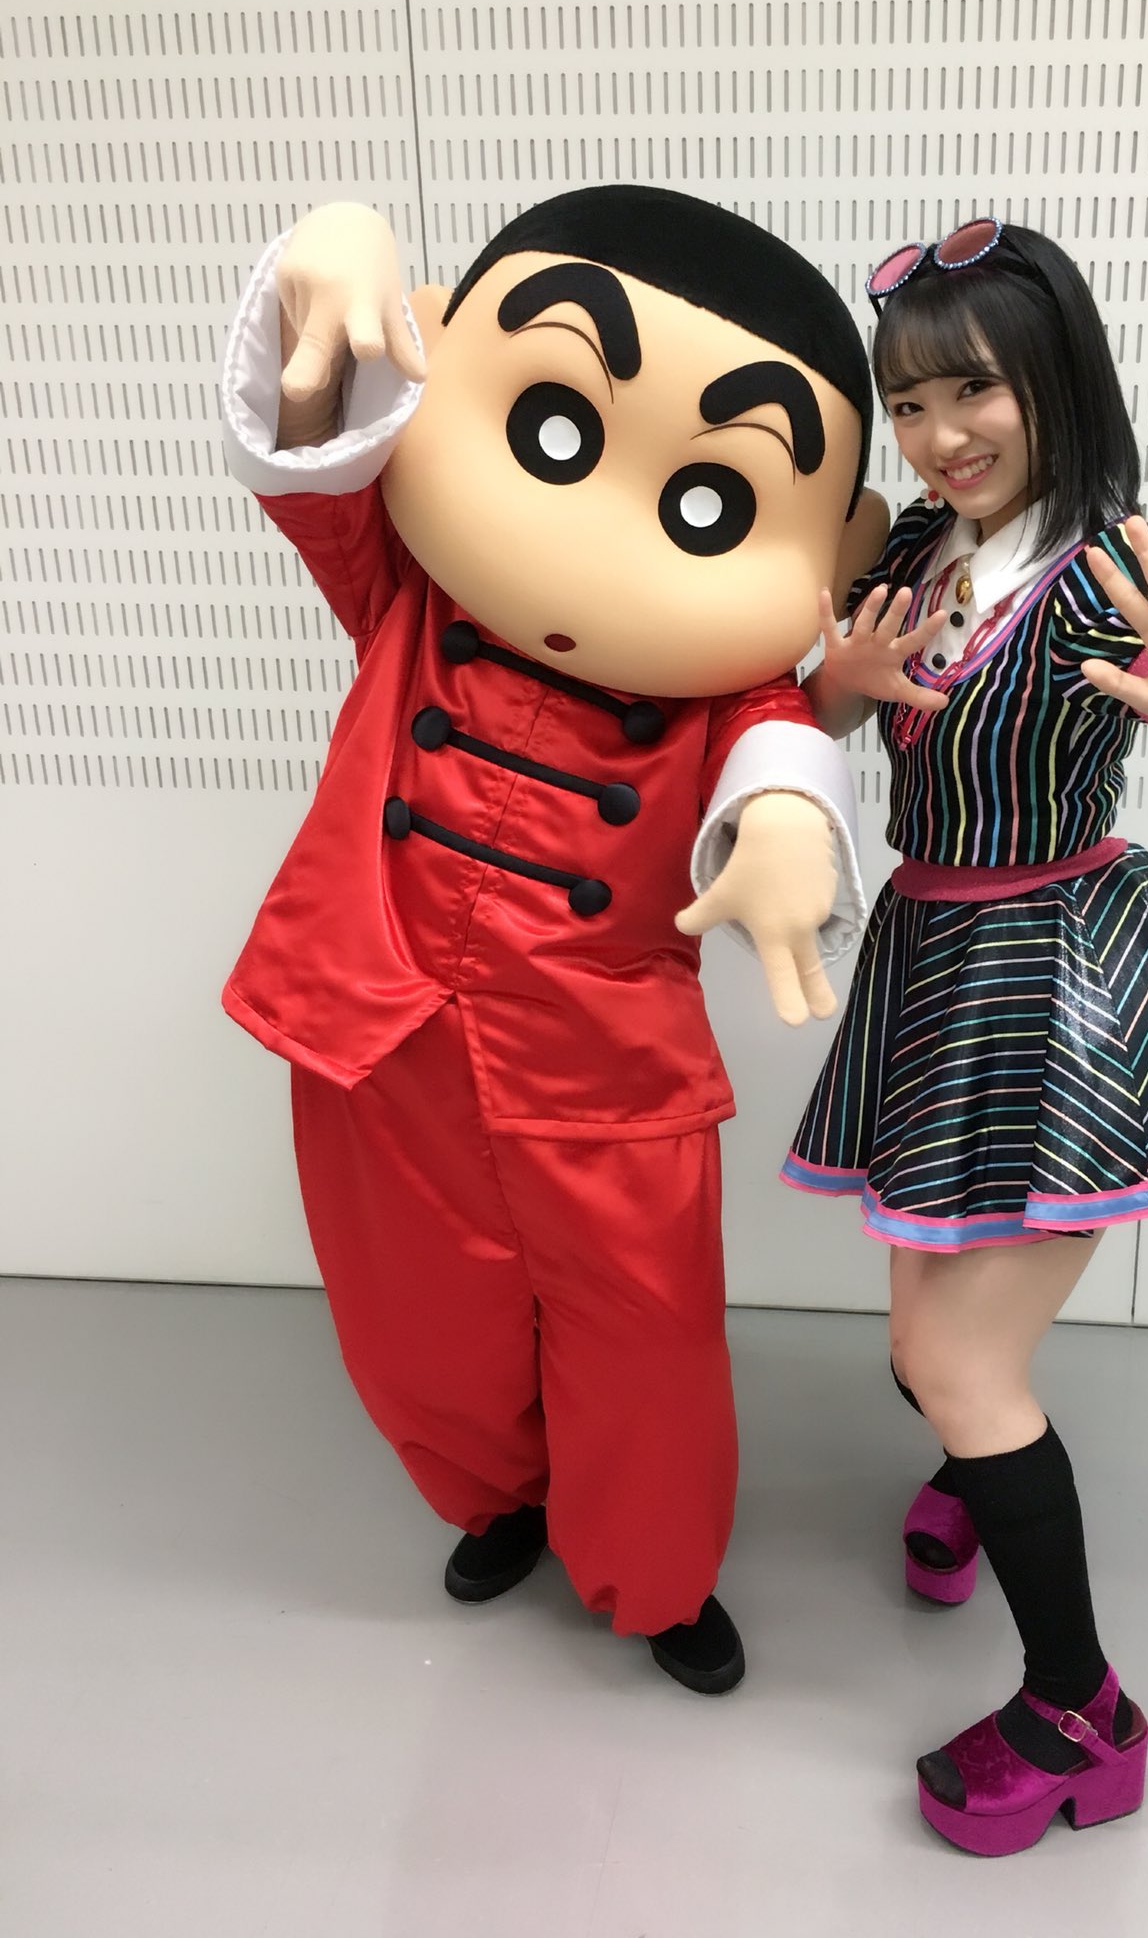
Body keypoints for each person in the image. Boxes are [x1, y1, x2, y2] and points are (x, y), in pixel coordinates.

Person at [218, 186, 890, 1694]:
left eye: (710, 501)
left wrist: (790, 824)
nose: (596, 536)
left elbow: (779, 754)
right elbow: (308, 453)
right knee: (415, 1318)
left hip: (604, 1068)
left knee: (647, 1341)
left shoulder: (731, 695)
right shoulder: (402, 594)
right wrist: (323, 255)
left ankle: (653, 1576)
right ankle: (498, 1495)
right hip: (380, 1023)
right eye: (555, 430)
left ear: (837, 543)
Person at [783, 218, 1148, 1850]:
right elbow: (827, 711)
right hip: (932, 951)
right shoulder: (914, 551)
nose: (940, 434)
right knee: (920, 1341)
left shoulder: (1112, 572)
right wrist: (832, 688)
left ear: (1055, 378)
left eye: (975, 390)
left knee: (957, 1358)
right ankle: (982, 1471)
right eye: (909, 401)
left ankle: (1084, 1712)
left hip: (1066, 982)